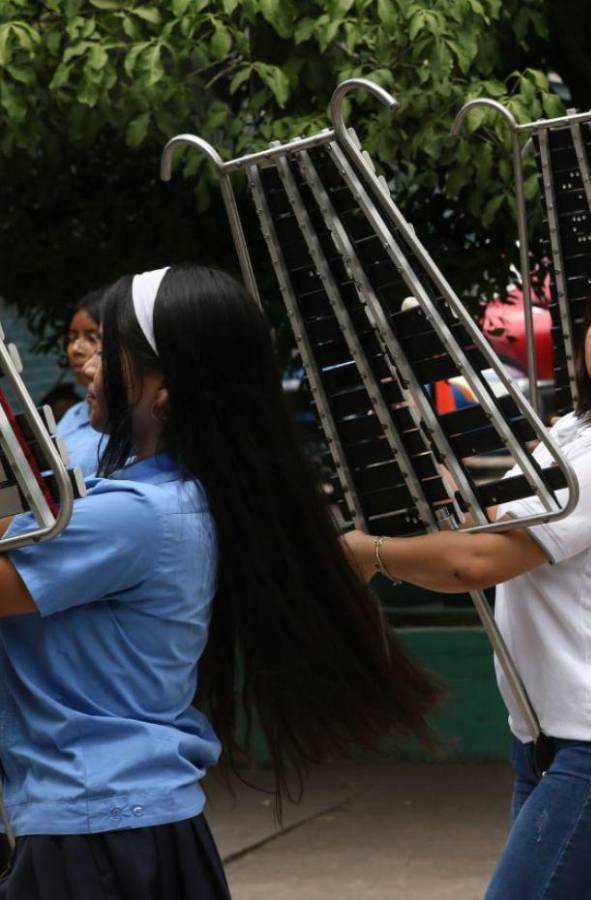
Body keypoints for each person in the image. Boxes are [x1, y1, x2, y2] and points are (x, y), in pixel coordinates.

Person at [0, 265, 442, 898]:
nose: (89, 364)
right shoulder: (170, 498)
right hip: (125, 826)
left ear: (165, 390)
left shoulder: (133, 516)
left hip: (98, 831)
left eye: (109, 348)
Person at [344, 249, 591, 900]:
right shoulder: (577, 429)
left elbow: (476, 562)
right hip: (553, 739)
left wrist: (367, 553)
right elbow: (485, 525)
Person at [56, 288, 108, 476]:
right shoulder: (73, 415)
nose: (75, 349)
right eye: (72, 338)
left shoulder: (134, 420)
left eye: (92, 337)